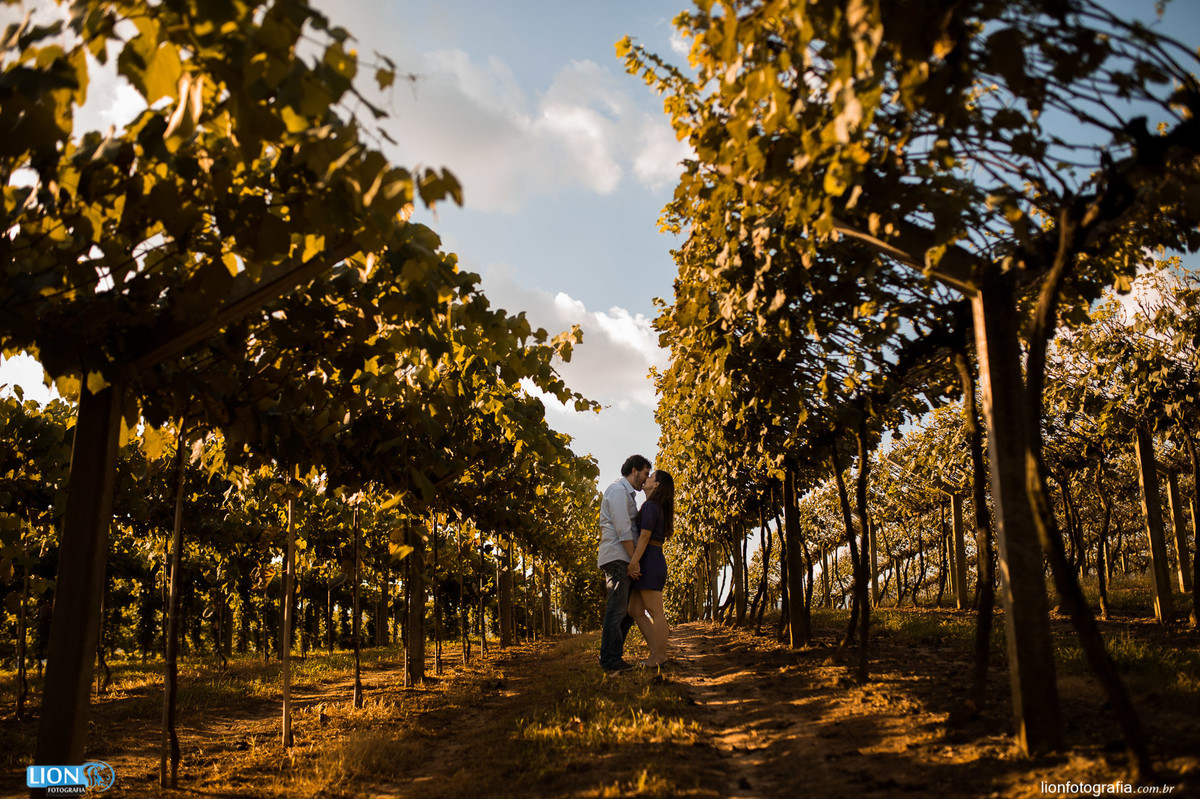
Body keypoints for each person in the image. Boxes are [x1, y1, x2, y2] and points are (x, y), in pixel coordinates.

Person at [597, 454, 651, 673]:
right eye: (645, 474)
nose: (646, 479)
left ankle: (614, 657)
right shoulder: (618, 490)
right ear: (634, 470)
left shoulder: (627, 494)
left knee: (627, 611)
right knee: (618, 608)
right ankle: (609, 660)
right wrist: (633, 561)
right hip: (618, 557)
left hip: (624, 557)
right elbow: (623, 529)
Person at [627, 469, 675, 667]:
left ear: (656, 485)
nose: (646, 478)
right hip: (652, 559)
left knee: (656, 612)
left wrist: (634, 562)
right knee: (635, 609)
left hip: (649, 561)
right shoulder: (655, 506)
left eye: (651, 476)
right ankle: (655, 653)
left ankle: (660, 657)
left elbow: (645, 536)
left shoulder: (650, 506)